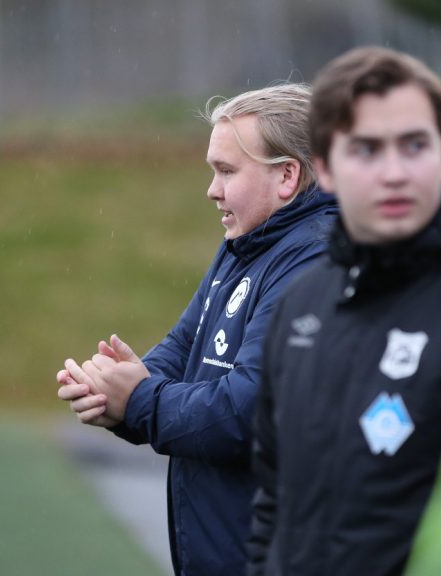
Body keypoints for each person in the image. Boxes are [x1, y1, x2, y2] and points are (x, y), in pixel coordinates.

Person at [246, 46, 441, 576]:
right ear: (325, 169)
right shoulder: (302, 306)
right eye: (367, 150)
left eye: (415, 145)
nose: (394, 172)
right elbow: (273, 499)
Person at [56, 84, 337, 575]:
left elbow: (247, 411)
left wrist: (138, 400)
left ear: (287, 176)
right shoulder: (247, 243)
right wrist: (112, 390)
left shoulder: (316, 259)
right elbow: (184, 348)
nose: (212, 189)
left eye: (227, 171)